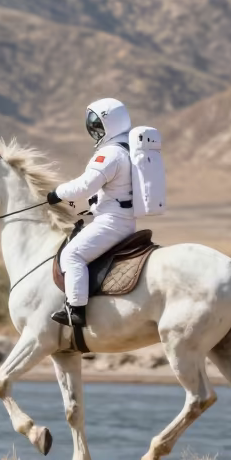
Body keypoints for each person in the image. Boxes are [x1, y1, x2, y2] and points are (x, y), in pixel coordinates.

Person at [45, 98, 136, 327]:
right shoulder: (129, 149)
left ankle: (75, 310)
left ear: (110, 124)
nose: (94, 131)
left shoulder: (111, 154)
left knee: (71, 255)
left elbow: (85, 186)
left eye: (97, 126)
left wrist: (57, 193)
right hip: (124, 219)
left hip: (111, 222)